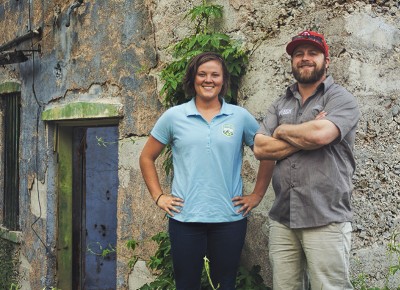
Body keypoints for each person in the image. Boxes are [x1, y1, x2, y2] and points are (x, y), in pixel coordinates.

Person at [139, 51, 274, 290]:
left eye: (215, 74)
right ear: (193, 79)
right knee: (186, 285)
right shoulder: (174, 117)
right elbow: (147, 157)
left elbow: (267, 154)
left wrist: (257, 195)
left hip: (229, 218)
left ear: (223, 80)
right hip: (185, 218)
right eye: (202, 74)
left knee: (225, 285)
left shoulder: (240, 117)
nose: (208, 79)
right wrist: (159, 197)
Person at [254, 30, 360, 290]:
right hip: (283, 218)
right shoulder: (280, 103)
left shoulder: (340, 98)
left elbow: (322, 134)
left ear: (326, 60)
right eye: (298, 54)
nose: (305, 58)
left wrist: (281, 131)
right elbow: (260, 147)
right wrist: (306, 132)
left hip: (325, 215)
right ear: (292, 61)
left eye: (313, 53)